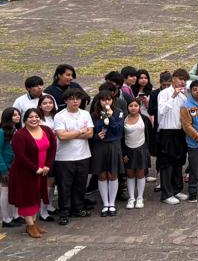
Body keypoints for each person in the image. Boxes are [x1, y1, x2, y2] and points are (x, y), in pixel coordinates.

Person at [10, 108, 55, 237]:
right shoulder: (20, 135)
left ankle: (33, 224)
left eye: (36, 116)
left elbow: (53, 147)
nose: (34, 119)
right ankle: (30, 226)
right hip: (24, 172)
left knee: (36, 196)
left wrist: (48, 165)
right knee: (26, 198)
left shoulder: (46, 130)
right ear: (25, 119)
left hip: (42, 171)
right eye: (30, 117)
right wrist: (35, 168)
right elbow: (20, 156)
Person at [52, 88, 93, 224]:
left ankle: (78, 208)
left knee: (80, 185)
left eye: (77, 98)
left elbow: (90, 134)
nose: (75, 101)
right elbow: (62, 136)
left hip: (83, 155)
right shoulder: (60, 116)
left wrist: (73, 134)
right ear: (65, 101)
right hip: (64, 157)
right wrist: (81, 132)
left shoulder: (85, 114)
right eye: (71, 98)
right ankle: (64, 212)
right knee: (65, 187)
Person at [88, 90, 124, 217]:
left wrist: (111, 117)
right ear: (99, 101)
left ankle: (112, 203)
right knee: (102, 175)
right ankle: (105, 203)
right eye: (103, 100)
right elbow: (91, 134)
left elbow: (119, 131)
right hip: (99, 147)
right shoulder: (93, 115)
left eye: (108, 99)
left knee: (112, 174)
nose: (106, 102)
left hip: (114, 146)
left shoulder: (118, 112)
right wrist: (97, 136)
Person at [120, 97, 153, 208]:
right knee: (129, 175)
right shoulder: (123, 119)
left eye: (136, 105)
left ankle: (140, 197)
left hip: (141, 149)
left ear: (139, 107)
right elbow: (120, 138)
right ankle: (131, 198)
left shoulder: (144, 119)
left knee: (140, 174)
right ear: (127, 107)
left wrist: (147, 150)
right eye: (131, 106)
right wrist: (123, 153)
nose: (133, 108)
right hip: (128, 150)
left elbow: (150, 135)